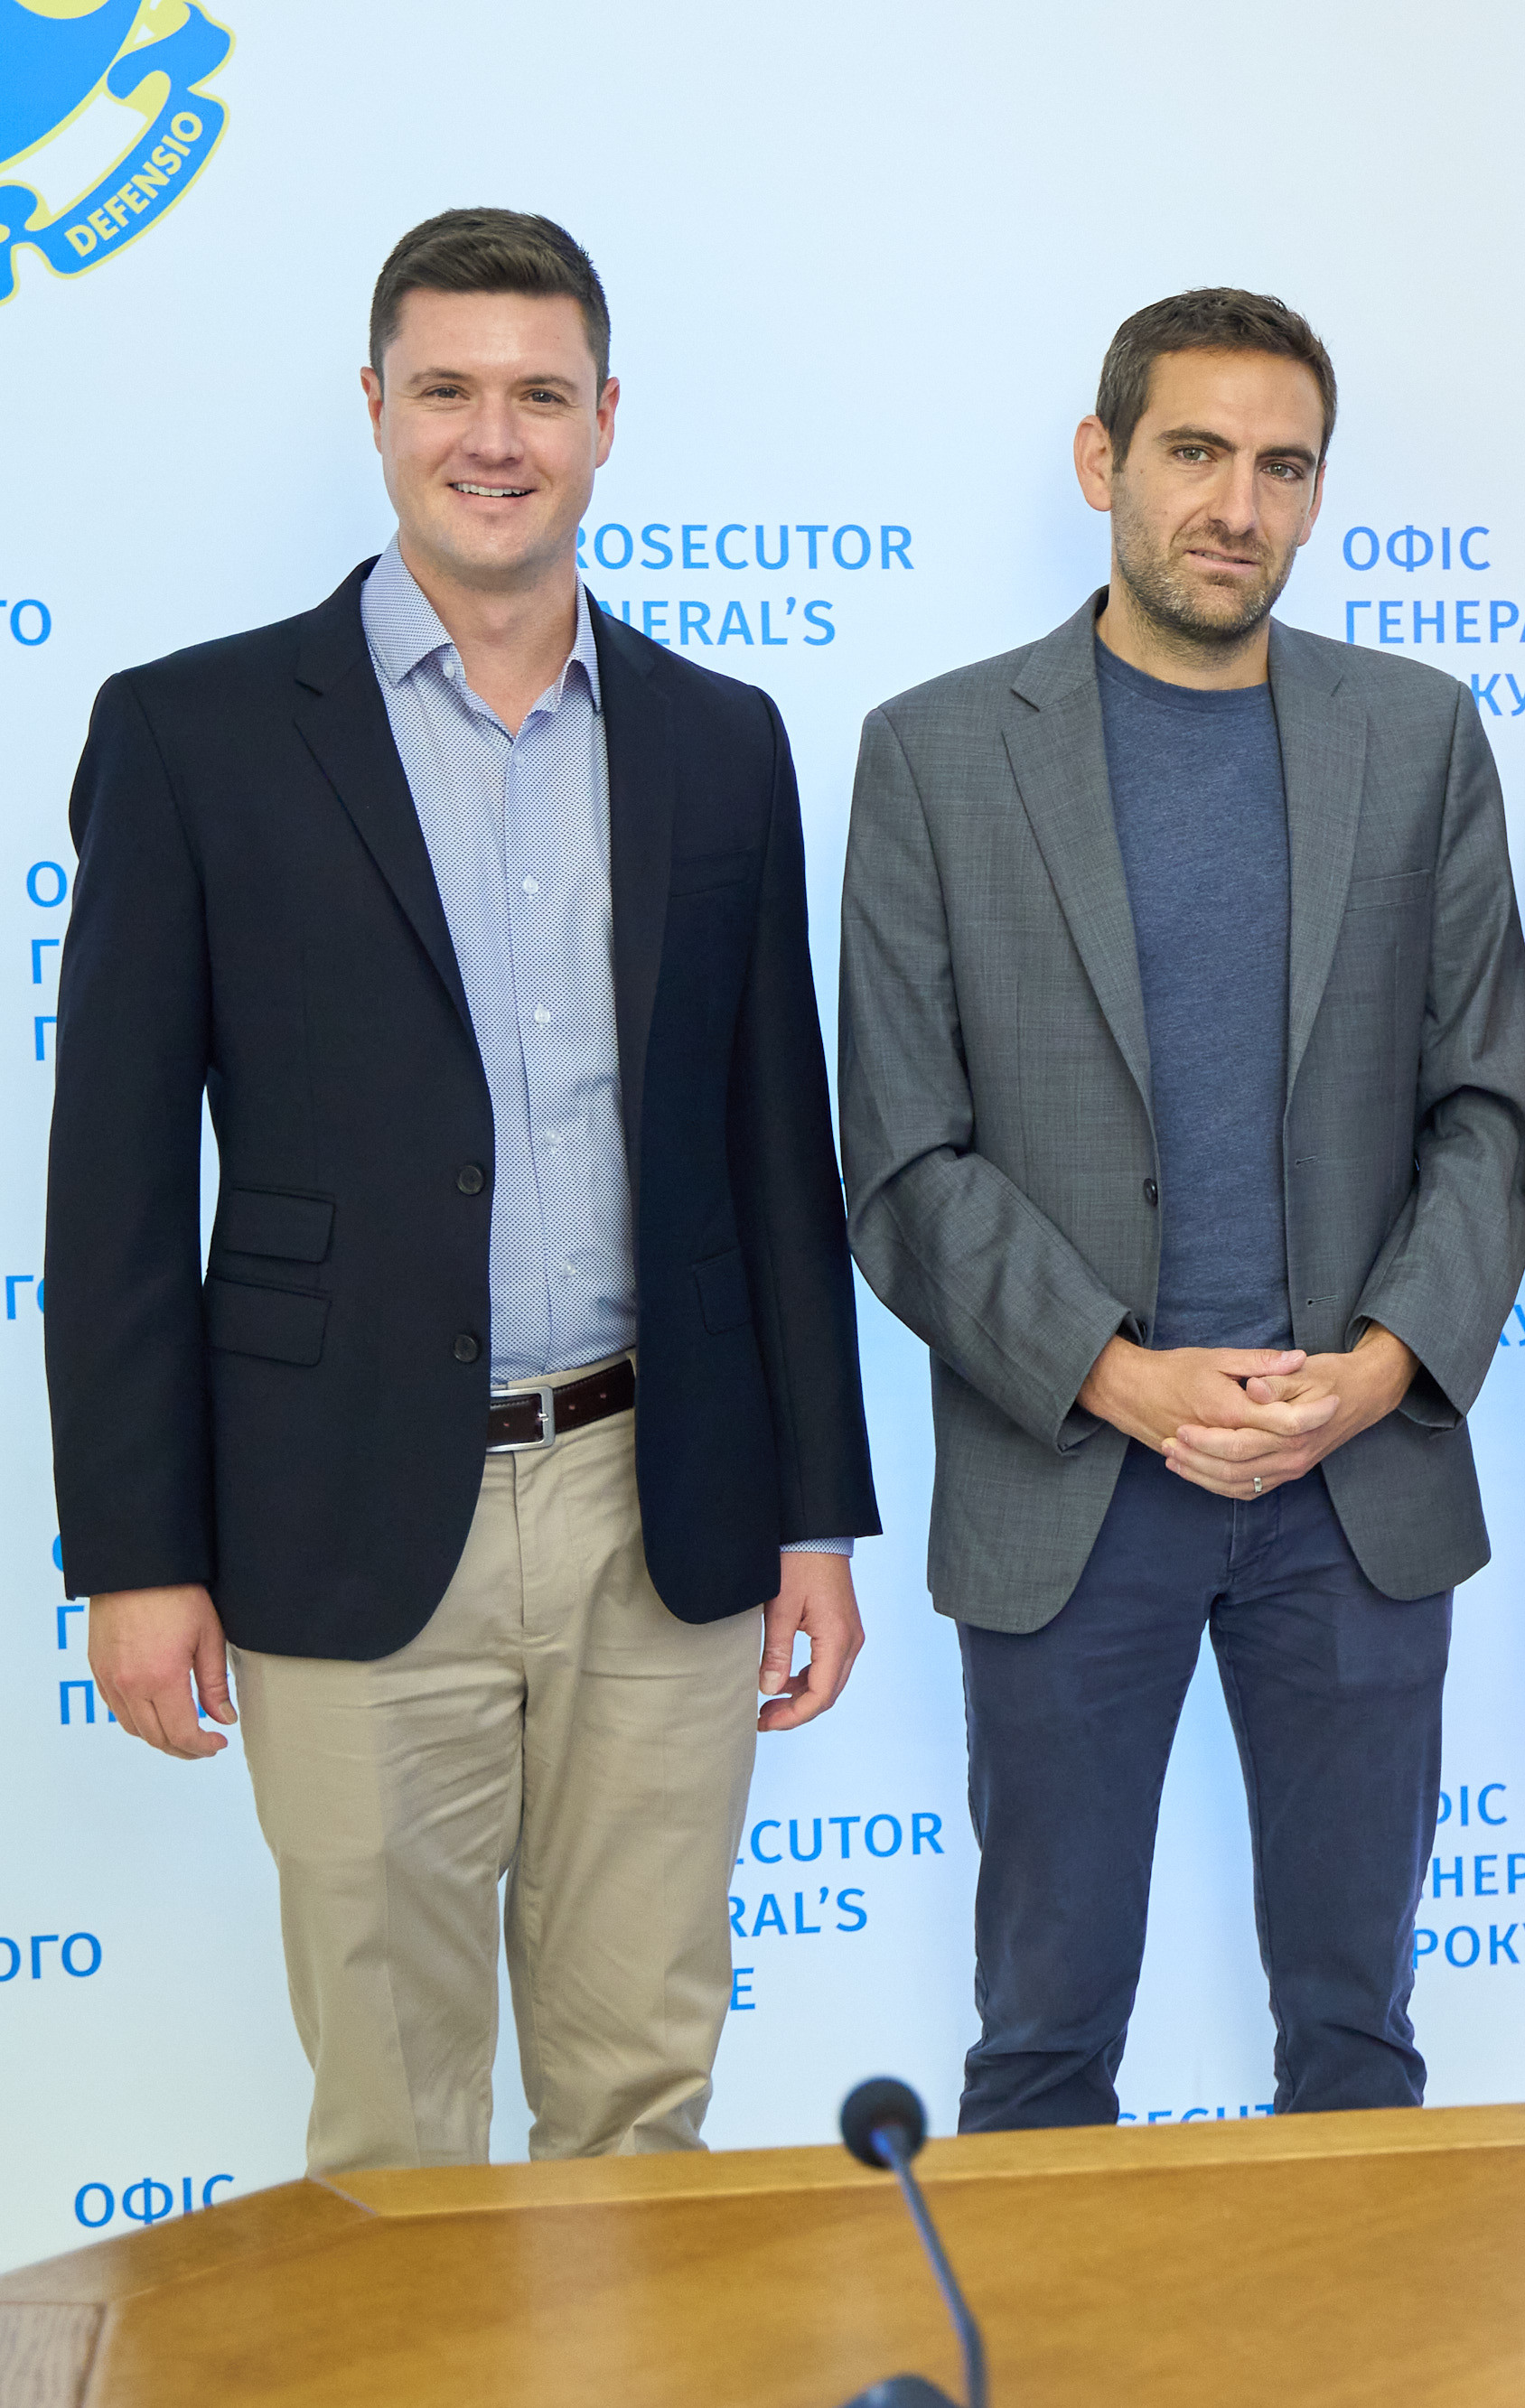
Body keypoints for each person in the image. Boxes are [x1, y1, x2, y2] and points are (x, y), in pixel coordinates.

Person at [46, 209, 878, 2174]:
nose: (491, 438)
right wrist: (135, 1554)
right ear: (374, 408)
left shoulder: (721, 739)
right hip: (335, 1504)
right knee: (393, 2135)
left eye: (536, 396)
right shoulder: (192, 733)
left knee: (640, 2100)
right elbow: (114, 1184)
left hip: (660, 1502)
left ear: (606, 421)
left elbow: (778, 1150)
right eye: (445, 390)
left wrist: (816, 1515)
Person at [837, 287, 1525, 2124]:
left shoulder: (1419, 735)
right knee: (1042, 2040)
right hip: (1073, 1479)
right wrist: (1121, 1376)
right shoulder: (934, 751)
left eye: (1281, 466)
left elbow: (1487, 1104)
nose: (1237, 504)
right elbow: (902, 1153)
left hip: (1351, 1482)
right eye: (1195, 453)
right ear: (1103, 462)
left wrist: (1379, 1369)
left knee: (1358, 2037)